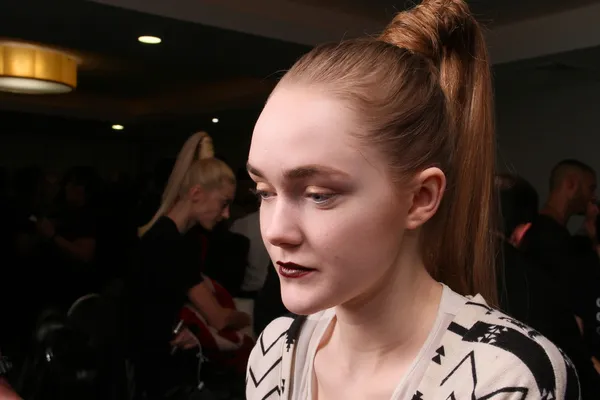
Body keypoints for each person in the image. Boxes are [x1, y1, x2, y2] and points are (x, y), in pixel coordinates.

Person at [245, 1, 581, 399]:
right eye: (264, 192)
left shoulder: (502, 377)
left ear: (420, 198)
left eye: (319, 195)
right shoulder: (275, 353)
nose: (277, 231)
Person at [125, 132, 251, 399]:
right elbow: (217, 317)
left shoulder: (164, 234)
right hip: (160, 374)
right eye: (224, 203)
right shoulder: (173, 243)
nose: (226, 213)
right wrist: (246, 318)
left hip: (150, 366)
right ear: (196, 193)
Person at [496, 173, 600, 397]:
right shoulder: (537, 282)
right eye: (591, 189)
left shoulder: (434, 269)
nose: (592, 199)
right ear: (523, 231)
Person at [521, 160, 600, 362]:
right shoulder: (549, 239)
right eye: (591, 188)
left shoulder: (546, 234)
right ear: (571, 184)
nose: (593, 198)